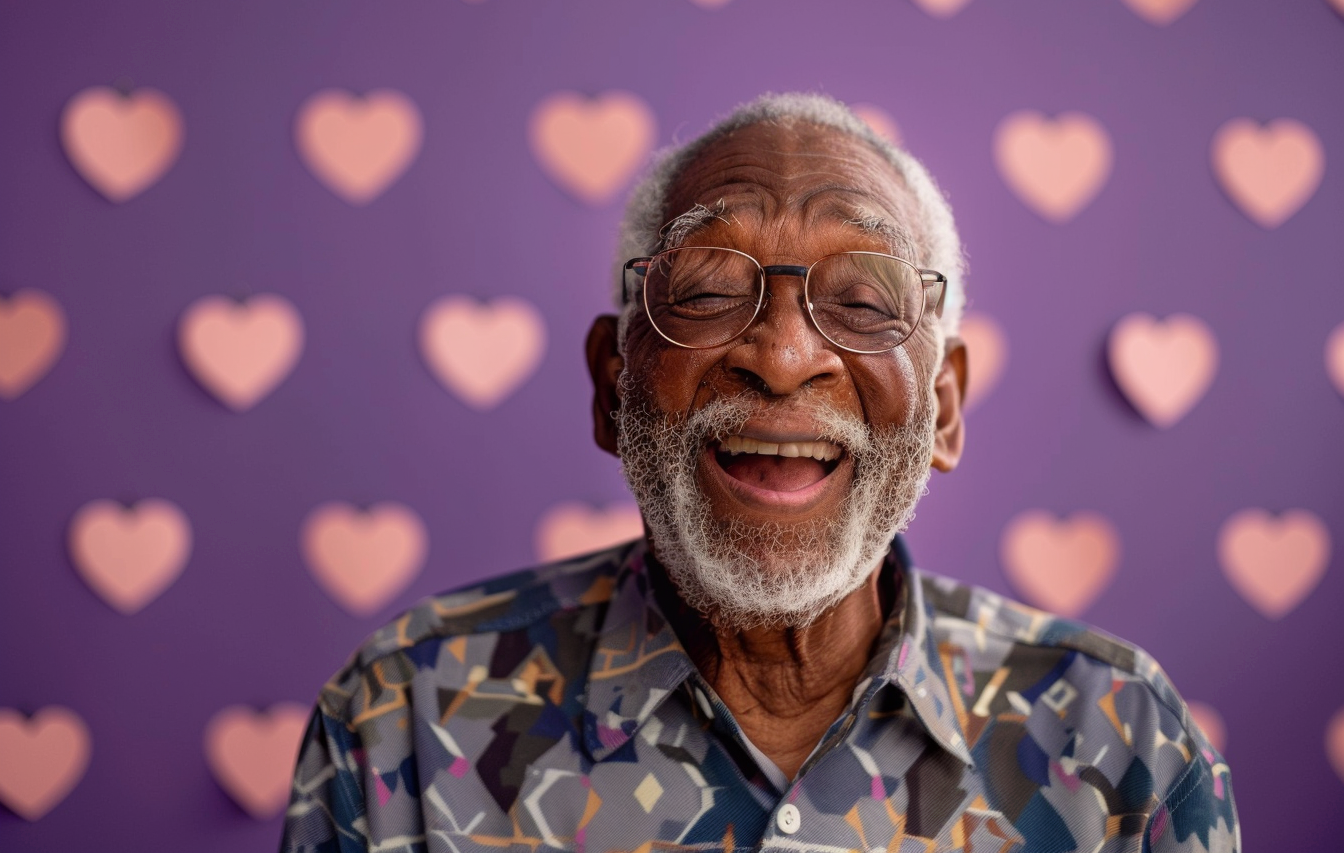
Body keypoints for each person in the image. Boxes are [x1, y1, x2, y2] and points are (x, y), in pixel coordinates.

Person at [280, 93, 1239, 852]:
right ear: (613, 385)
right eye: (708, 291)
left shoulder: (1119, 745)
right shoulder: (404, 716)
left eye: (863, 300)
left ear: (943, 406)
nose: (782, 357)